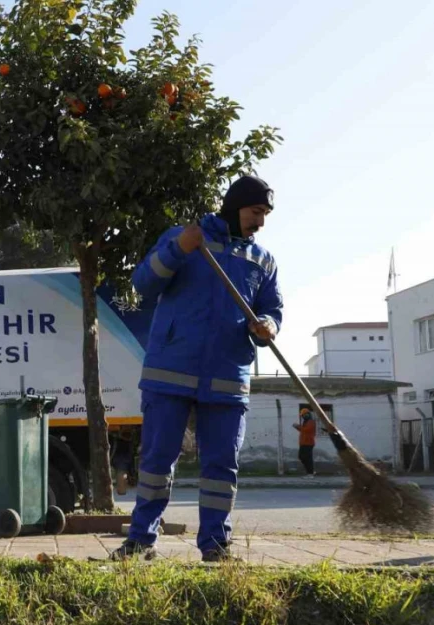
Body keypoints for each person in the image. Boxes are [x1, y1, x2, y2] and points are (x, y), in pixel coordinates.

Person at [111, 174, 283, 563]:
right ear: (235, 206)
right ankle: (140, 541)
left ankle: (215, 546)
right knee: (156, 463)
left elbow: (272, 308)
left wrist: (268, 326)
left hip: (228, 376)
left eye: (265, 214)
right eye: (256, 212)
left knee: (222, 466)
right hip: (171, 370)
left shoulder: (263, 261)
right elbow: (143, 284)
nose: (260, 222)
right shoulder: (186, 238)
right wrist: (177, 250)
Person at [293, 408, 317, 477]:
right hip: (304, 443)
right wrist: (298, 427)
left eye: (304, 415)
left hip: (308, 443)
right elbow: (303, 431)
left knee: (307, 458)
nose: (303, 416)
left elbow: (307, 430)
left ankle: (310, 473)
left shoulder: (311, 422)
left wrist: (298, 426)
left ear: (308, 414)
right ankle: (310, 471)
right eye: (302, 415)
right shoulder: (306, 422)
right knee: (301, 457)